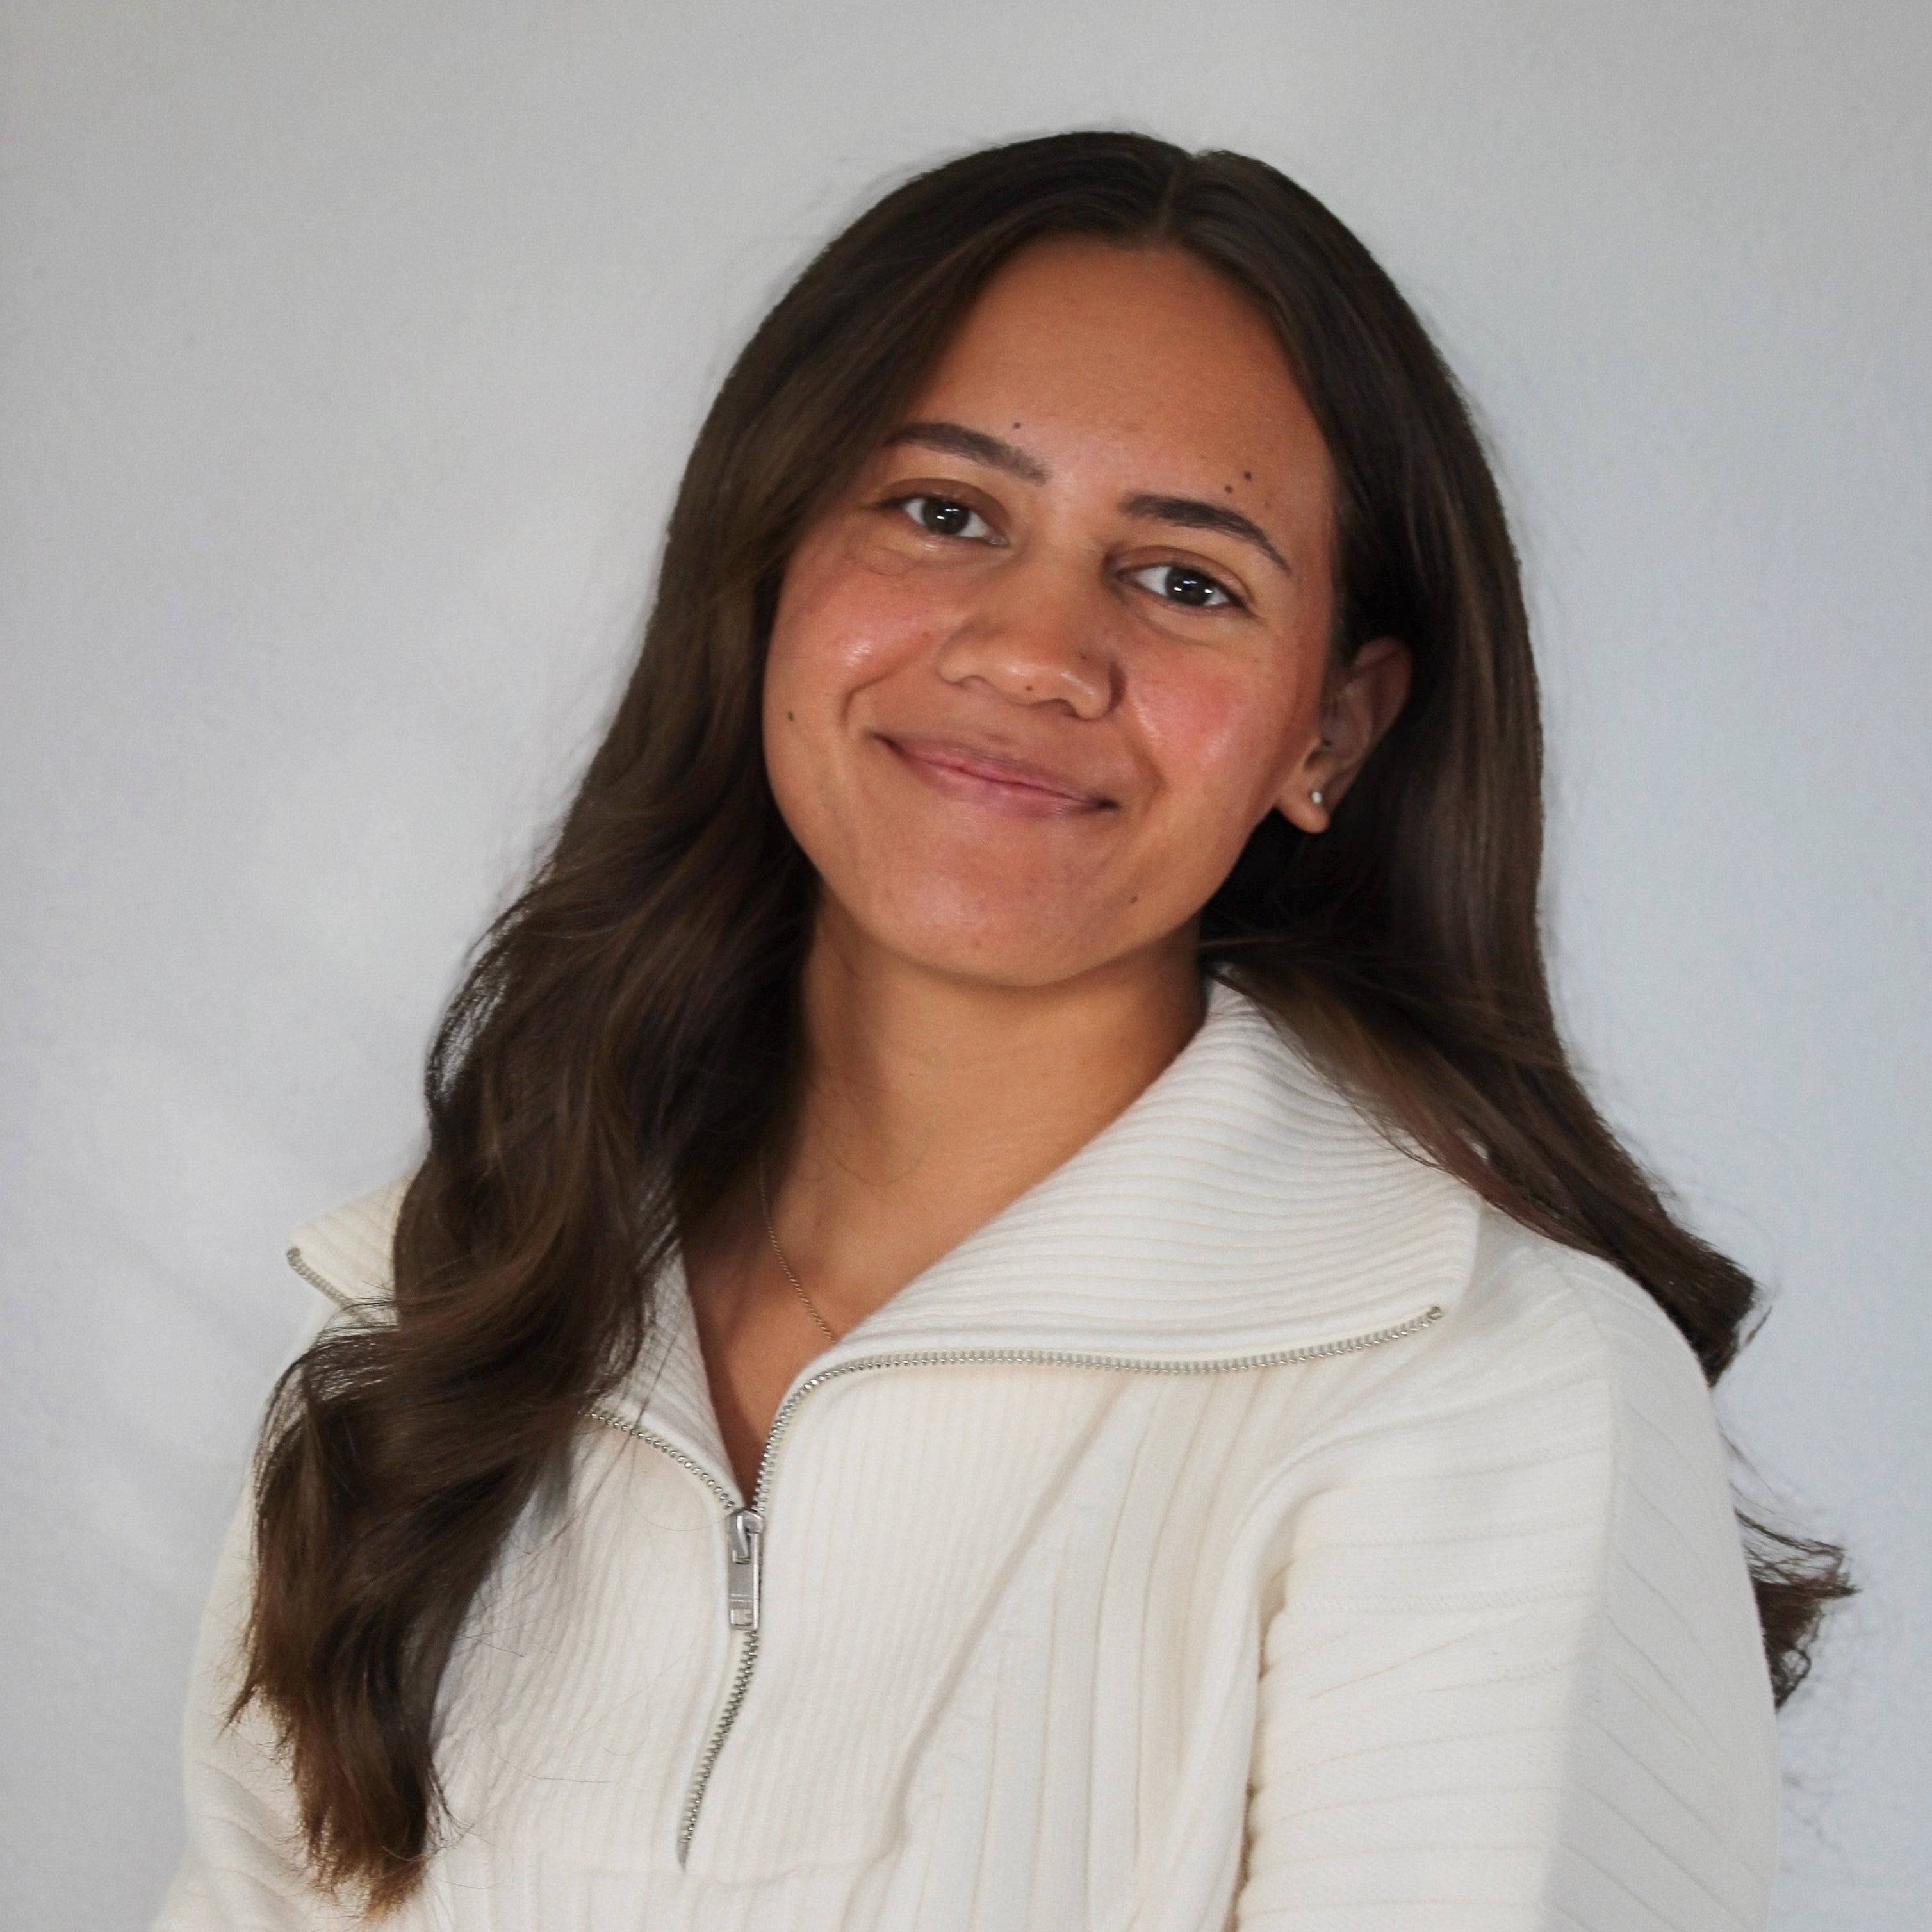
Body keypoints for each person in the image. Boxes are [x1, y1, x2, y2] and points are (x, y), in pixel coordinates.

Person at [154, 131, 1847, 1930]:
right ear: (766, 571)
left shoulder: (1499, 1396)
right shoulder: (435, 1333)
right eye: (945, 512)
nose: (1037, 650)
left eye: (1188, 580)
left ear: (1332, 731)